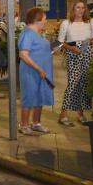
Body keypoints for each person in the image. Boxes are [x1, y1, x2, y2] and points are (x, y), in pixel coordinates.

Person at [58, 0, 93, 126]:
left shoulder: (90, 22)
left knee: (84, 83)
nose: (80, 10)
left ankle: (80, 114)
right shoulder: (66, 23)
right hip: (73, 54)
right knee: (73, 83)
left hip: (87, 54)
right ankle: (63, 114)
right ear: (73, 9)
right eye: (78, 7)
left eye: (82, 8)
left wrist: (91, 41)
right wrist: (71, 48)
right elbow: (60, 42)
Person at [18, 7, 55, 135]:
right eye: (44, 19)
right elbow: (23, 54)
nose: (45, 21)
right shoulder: (27, 33)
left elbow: (38, 51)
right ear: (37, 20)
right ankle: (24, 125)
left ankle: (36, 123)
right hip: (31, 72)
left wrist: (51, 50)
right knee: (29, 97)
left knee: (39, 96)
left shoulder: (37, 33)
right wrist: (38, 68)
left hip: (41, 72)